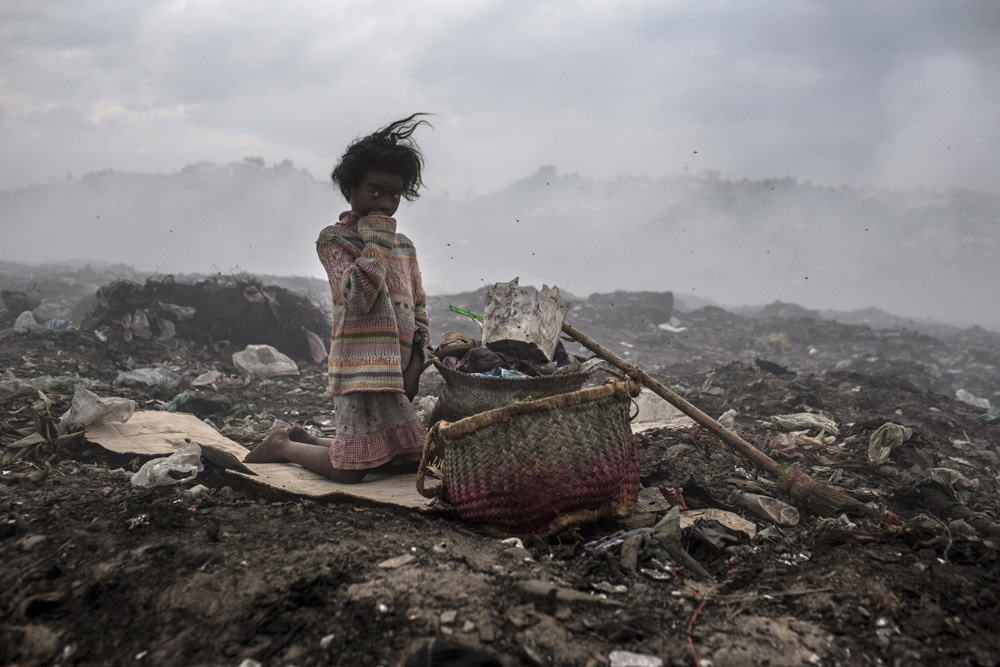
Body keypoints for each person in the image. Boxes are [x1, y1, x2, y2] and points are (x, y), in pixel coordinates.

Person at [244, 114, 432, 483]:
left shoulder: (405, 248)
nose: (386, 204)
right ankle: (283, 446)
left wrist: (415, 365)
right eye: (374, 191)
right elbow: (358, 297)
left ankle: (308, 439)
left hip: (396, 372)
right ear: (350, 190)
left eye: (394, 195)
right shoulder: (334, 241)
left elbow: (420, 310)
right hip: (359, 373)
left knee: (407, 460)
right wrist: (376, 238)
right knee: (349, 472)